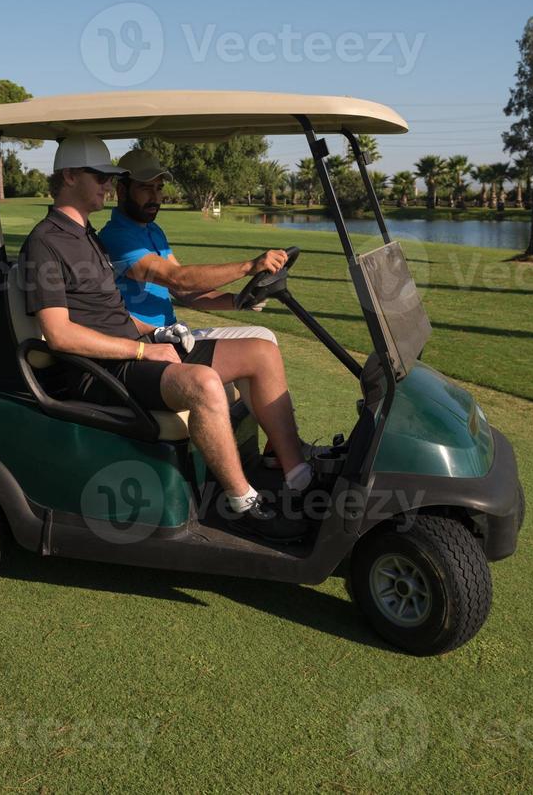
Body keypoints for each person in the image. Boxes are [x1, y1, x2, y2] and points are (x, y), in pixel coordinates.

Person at [18, 133, 313, 542]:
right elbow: (59, 333)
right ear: (68, 176)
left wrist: (155, 332)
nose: (107, 184)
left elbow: (115, 314)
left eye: (111, 177)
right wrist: (143, 348)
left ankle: (299, 477)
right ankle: (243, 503)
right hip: (97, 371)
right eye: (100, 175)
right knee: (204, 384)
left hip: (130, 352)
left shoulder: (88, 236)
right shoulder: (45, 243)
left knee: (260, 352)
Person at [97, 148, 282, 344]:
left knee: (264, 336)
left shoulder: (153, 230)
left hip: (174, 334)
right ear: (122, 191)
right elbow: (177, 279)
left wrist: (238, 301)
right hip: (149, 341)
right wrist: (249, 267)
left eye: (158, 188)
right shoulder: (117, 236)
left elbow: (185, 293)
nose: (155, 197)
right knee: (260, 346)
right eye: (145, 188)